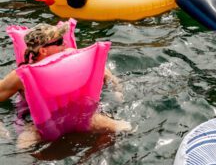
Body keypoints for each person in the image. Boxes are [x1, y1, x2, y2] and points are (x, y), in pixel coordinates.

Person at [0, 23, 130, 148]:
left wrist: (117, 90)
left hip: (80, 113)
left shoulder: (71, 54)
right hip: (37, 121)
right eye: (59, 42)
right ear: (43, 50)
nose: (65, 44)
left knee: (124, 128)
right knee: (25, 145)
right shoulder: (21, 77)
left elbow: (103, 70)